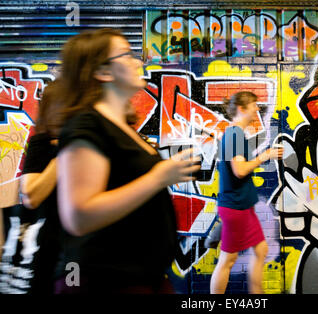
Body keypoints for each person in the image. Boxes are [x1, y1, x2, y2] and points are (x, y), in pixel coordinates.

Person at [53, 28, 200, 294]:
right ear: (103, 72)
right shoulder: (87, 126)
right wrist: (158, 178)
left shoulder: (120, 126)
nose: (139, 61)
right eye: (127, 55)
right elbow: (78, 216)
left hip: (142, 278)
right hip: (104, 283)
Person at [210, 91, 283, 294]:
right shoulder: (234, 134)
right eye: (254, 105)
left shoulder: (235, 133)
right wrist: (265, 156)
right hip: (236, 208)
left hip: (242, 207)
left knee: (260, 250)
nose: (257, 109)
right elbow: (240, 170)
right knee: (228, 260)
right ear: (242, 109)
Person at [5, 81, 63, 295]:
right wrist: (64, 154)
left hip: (67, 245)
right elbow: (30, 194)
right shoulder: (44, 143)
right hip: (46, 244)